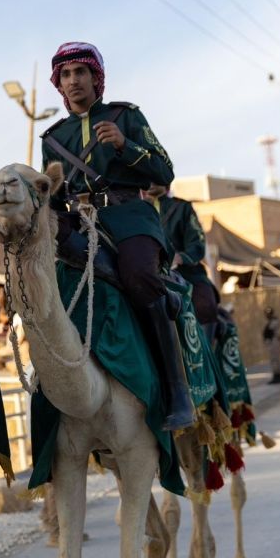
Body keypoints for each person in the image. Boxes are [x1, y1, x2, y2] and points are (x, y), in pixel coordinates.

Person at [40, 41, 193, 431]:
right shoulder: (53, 138)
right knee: (47, 288)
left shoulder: (126, 116)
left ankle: (177, 392)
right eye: (66, 74)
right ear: (59, 83)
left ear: (96, 78)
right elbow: (54, 199)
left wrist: (126, 146)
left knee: (139, 277)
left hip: (129, 217)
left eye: (81, 72)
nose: (73, 80)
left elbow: (164, 172)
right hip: (78, 223)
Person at [147, 183, 220, 341]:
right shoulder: (138, 211)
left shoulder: (182, 208)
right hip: (150, 273)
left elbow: (197, 244)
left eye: (156, 178)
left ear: (166, 182)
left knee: (205, 306)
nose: (151, 182)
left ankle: (205, 355)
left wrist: (180, 257)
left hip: (187, 274)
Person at [262, 306, 280, 384]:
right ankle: (276, 376)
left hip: (274, 342)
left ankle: (277, 376)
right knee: (274, 359)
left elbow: (274, 332)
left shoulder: (274, 321)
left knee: (275, 359)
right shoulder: (270, 321)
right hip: (272, 342)